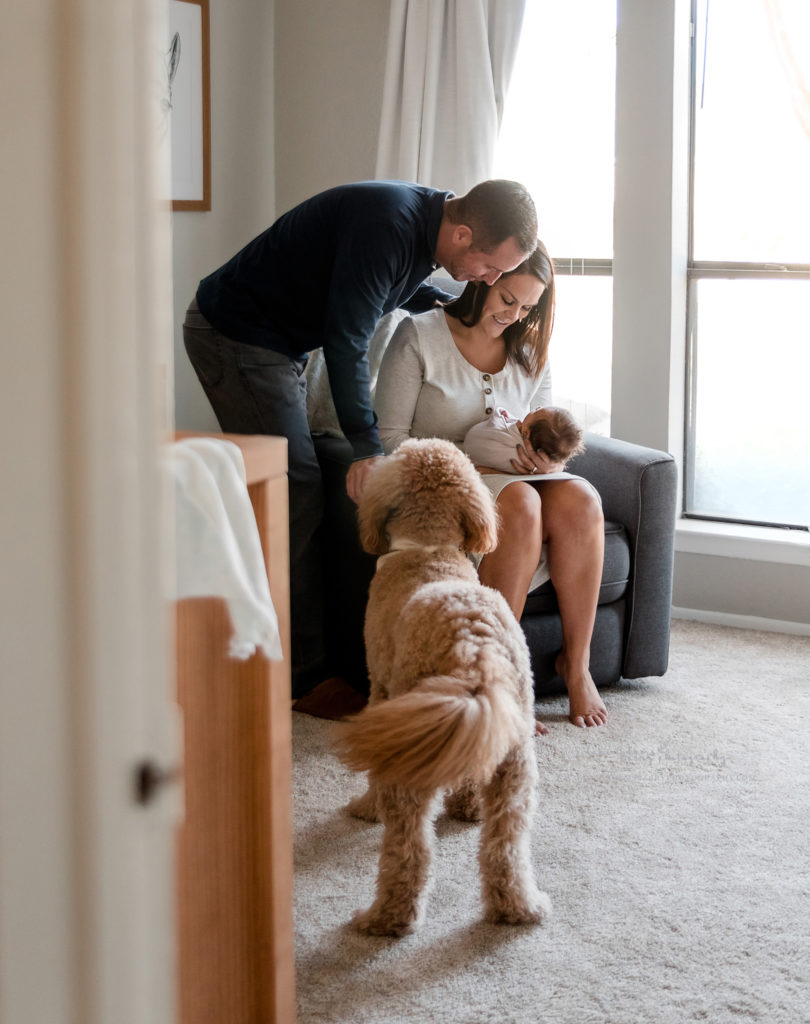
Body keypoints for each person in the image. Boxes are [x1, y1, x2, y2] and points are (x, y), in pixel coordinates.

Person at [182, 178, 538, 698]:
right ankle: (303, 678)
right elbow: (346, 338)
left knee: (283, 485)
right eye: (493, 268)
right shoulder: (388, 224)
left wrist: (445, 308)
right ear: (463, 235)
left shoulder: (425, 228)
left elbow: (392, 286)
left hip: (281, 343)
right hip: (237, 333)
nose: (487, 281)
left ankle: (264, 641)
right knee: (292, 487)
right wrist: (368, 449)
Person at [373, 243, 607, 728]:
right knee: (519, 503)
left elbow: (541, 427)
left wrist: (541, 462)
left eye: (527, 307)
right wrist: (469, 469)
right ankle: (500, 677)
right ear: (483, 278)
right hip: (440, 480)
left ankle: (577, 666)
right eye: (507, 299)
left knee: (582, 498)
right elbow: (391, 438)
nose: (513, 315)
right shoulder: (420, 335)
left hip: (511, 476)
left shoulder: (528, 352)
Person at [463, 404, 585, 475]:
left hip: (473, 447)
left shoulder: (515, 447)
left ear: (526, 432)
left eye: (536, 411)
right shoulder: (534, 459)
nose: (537, 407)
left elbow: (498, 415)